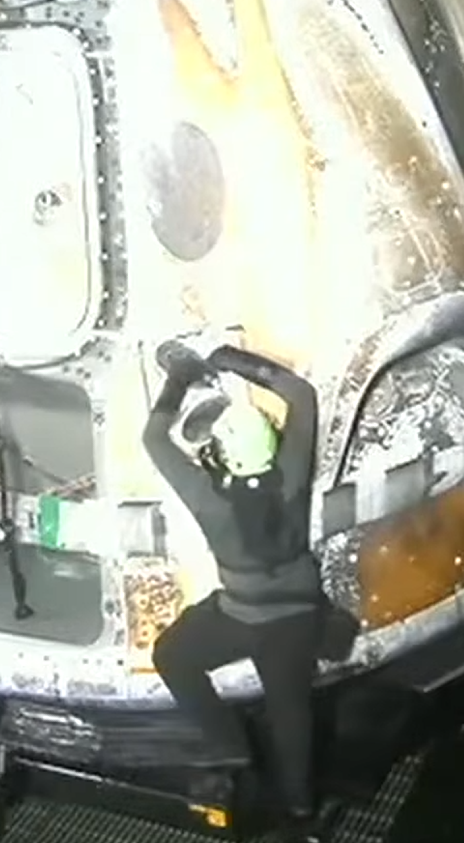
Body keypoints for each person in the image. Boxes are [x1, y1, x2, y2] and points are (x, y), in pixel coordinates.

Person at [143, 341, 330, 842]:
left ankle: (229, 745)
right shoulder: (290, 474)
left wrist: (179, 377)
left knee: (172, 655)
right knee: (290, 710)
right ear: (270, 444)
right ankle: (300, 807)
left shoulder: (210, 499)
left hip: (239, 615)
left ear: (221, 457)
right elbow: (302, 395)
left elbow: (154, 439)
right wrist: (234, 359)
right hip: (296, 618)